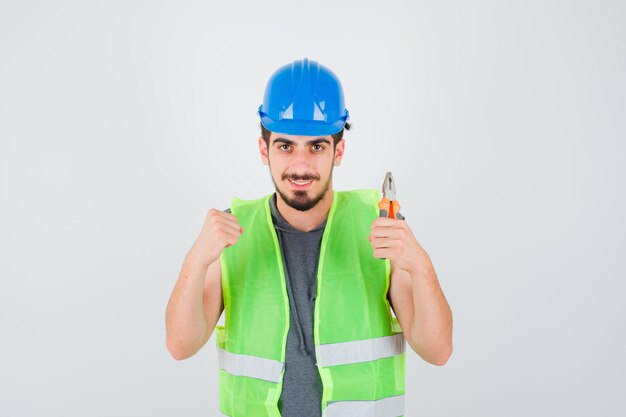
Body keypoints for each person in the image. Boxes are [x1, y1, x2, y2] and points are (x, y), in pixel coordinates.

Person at [165, 58, 453, 417]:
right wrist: (195, 260)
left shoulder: (380, 228)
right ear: (263, 149)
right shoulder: (231, 231)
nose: (300, 165)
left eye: (316, 146)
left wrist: (422, 267)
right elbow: (180, 345)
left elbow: (437, 350)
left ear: (339, 151)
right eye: (286, 146)